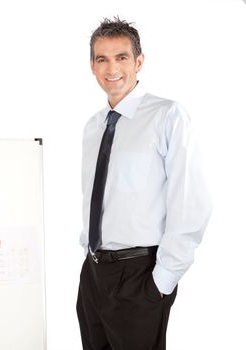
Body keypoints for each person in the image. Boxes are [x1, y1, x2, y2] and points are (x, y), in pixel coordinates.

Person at [76, 17, 212, 350]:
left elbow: (190, 201)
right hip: (93, 275)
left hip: (139, 274)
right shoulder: (94, 127)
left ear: (139, 61)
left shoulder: (168, 116)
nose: (112, 68)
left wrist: (161, 282)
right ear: (92, 66)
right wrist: (87, 256)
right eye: (102, 59)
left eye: (121, 57)